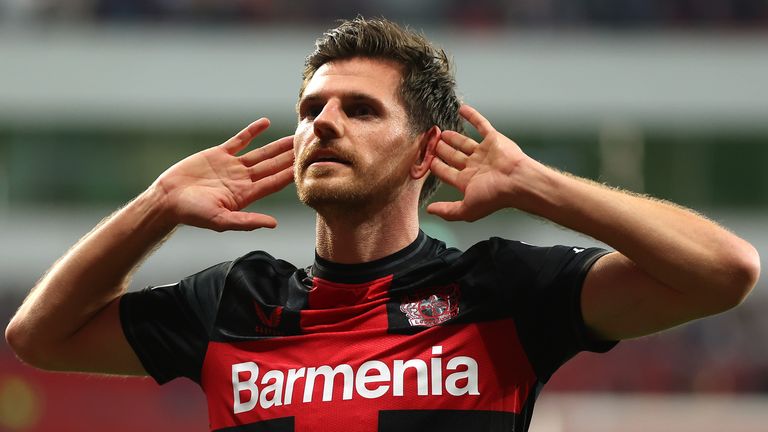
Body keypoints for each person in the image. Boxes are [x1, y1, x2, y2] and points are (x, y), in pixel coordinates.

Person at [5, 17, 760, 432]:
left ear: (425, 152)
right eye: (312, 110)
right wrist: (157, 203)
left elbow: (725, 272)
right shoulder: (233, 302)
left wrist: (539, 186)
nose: (324, 124)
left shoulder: (501, 290)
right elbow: (38, 337)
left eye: (361, 110)